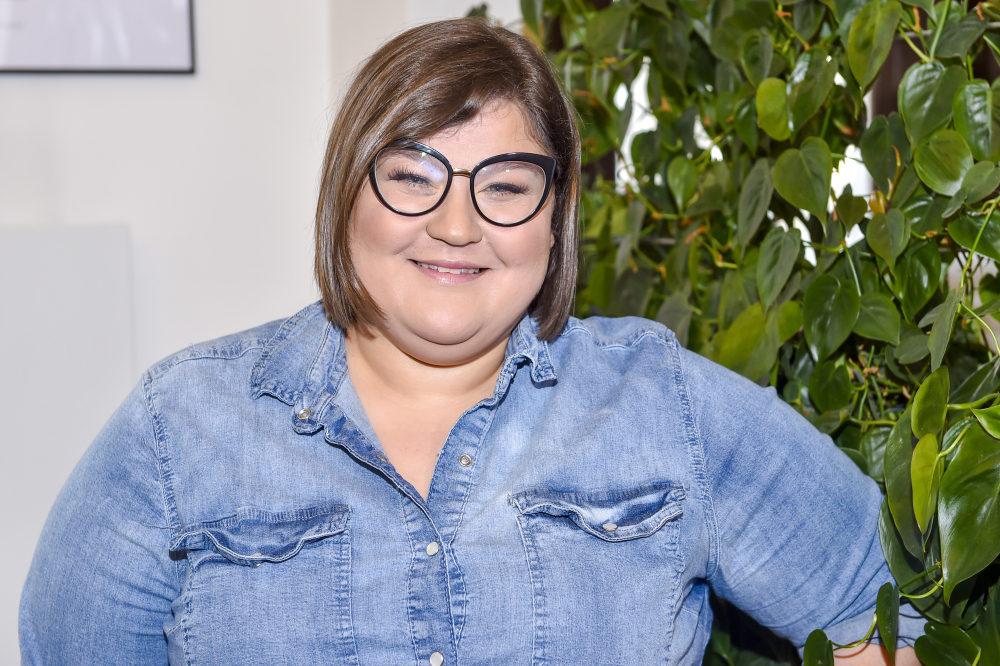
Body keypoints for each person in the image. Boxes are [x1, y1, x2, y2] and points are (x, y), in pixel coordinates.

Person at [20, 18, 922, 665]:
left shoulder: (666, 404)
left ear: (556, 216)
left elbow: (872, 609)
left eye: (506, 185)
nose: (457, 225)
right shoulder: (179, 427)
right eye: (414, 176)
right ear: (345, 192)